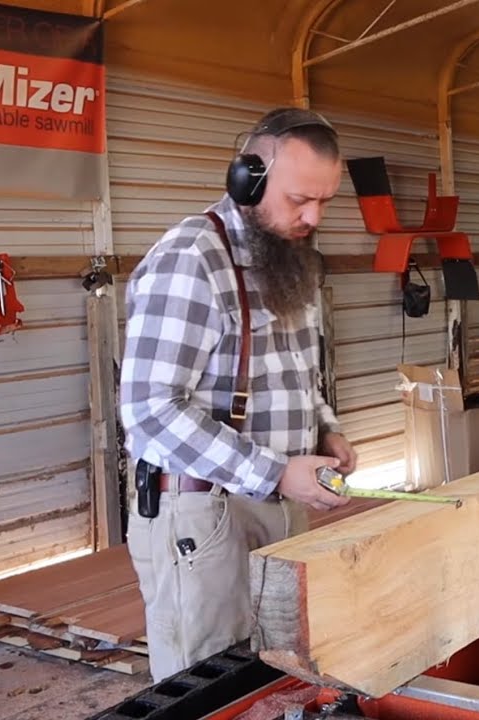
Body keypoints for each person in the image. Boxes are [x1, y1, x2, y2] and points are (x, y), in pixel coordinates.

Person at [118, 107, 356, 682]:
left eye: (324, 200)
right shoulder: (191, 260)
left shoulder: (286, 260)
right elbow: (149, 413)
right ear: (248, 178)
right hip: (204, 516)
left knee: (277, 675)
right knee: (210, 685)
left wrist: (325, 427)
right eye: (300, 198)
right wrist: (275, 472)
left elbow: (295, 368)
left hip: (275, 501)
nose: (313, 216)